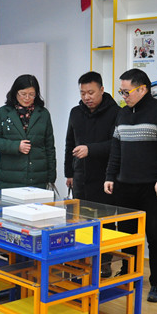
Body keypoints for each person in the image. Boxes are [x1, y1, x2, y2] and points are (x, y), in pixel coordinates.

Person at [104, 68, 157, 303]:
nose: (123, 96)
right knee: (127, 235)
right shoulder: (122, 114)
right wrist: (110, 176)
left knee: (155, 236)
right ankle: (129, 274)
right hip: (125, 186)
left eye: (126, 92)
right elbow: (116, 149)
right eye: (121, 91)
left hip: (153, 188)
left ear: (143, 89)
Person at [64, 71, 119, 277]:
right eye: (83, 93)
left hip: (106, 177)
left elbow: (117, 145)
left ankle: (105, 262)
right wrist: (69, 172)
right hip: (80, 175)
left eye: (91, 92)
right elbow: (70, 143)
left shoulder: (116, 112)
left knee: (105, 221)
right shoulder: (75, 113)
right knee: (79, 220)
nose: (87, 97)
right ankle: (81, 260)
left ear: (102, 90)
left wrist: (91, 149)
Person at [0, 74, 56, 190]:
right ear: (15, 92)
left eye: (31, 94)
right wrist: (16, 146)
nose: (27, 98)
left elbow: (50, 147)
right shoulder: (3, 112)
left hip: (37, 178)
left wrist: (51, 177)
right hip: (9, 178)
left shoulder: (43, 114)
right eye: (23, 94)